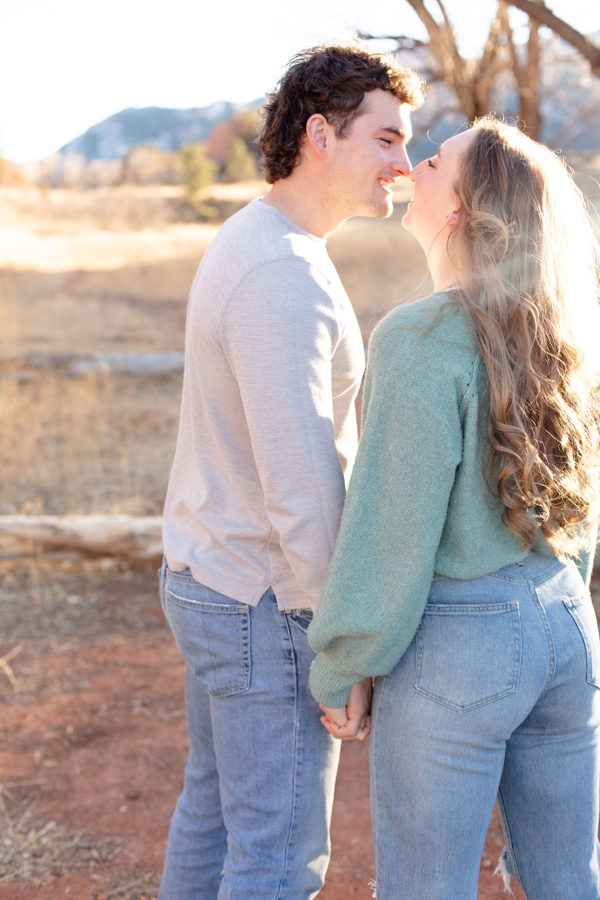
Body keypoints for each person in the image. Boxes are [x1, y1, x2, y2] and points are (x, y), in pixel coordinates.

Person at [308, 117, 600, 900]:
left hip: (460, 646)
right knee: (570, 881)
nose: (408, 166)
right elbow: (581, 505)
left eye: (432, 161)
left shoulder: (418, 336)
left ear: (463, 209)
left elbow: (392, 526)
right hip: (566, 621)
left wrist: (347, 661)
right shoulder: (560, 329)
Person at [158, 43, 423, 900]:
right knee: (276, 859)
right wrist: (345, 649)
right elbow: (303, 493)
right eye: (385, 139)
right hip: (262, 603)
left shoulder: (265, 240)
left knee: (215, 818)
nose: (403, 163)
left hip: (214, 576)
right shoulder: (282, 273)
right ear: (321, 133)